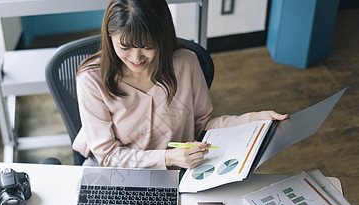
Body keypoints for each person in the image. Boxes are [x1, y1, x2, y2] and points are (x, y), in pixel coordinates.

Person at [72, 0, 287, 169]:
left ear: (162, 38)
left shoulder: (186, 63)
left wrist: (252, 120)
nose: (136, 57)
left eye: (147, 46)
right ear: (109, 39)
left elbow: (203, 125)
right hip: (119, 172)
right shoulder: (92, 78)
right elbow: (108, 155)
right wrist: (167, 158)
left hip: (179, 171)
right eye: (125, 47)